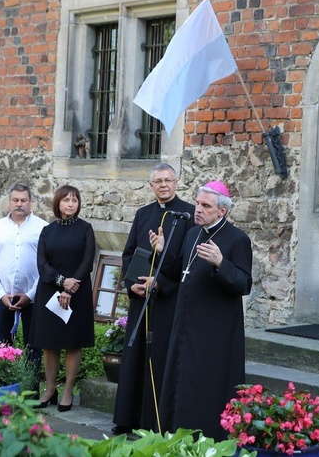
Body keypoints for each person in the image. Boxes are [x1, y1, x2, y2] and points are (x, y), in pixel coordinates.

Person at [152, 180, 253, 440]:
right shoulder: (192, 233)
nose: (198, 209)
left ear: (222, 211)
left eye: (205, 206)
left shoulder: (237, 239)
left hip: (214, 330)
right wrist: (162, 253)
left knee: (204, 385)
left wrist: (221, 263)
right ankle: (176, 434)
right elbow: (180, 272)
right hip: (185, 324)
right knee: (180, 380)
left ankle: (206, 437)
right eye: (197, 203)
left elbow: (244, 283)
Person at [112, 164, 195, 435]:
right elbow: (128, 255)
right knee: (135, 358)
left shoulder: (188, 215)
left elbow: (187, 261)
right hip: (140, 299)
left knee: (159, 358)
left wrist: (162, 283)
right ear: (151, 186)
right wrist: (130, 285)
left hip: (168, 301)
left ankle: (154, 422)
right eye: (158, 181)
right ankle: (128, 418)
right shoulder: (143, 214)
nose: (163, 185)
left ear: (177, 182)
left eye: (168, 180)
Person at [30, 185, 96, 412]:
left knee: (72, 342)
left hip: (77, 292)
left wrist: (70, 287)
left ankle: (68, 390)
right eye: (66, 200)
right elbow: (42, 264)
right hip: (50, 291)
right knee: (50, 343)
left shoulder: (86, 229)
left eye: (75, 200)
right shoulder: (47, 231)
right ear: (57, 203)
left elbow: (88, 261)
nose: (70, 204)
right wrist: (61, 281)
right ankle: (49, 389)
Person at [0, 183, 48, 382]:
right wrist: (1, 295)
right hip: (5, 298)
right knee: (3, 347)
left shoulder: (42, 228)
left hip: (33, 298)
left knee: (34, 348)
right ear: (9, 202)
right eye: (15, 200)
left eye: (23, 200)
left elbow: (46, 266)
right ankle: (5, 388)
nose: (19, 204)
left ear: (31, 202)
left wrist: (30, 295)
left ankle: (30, 392)